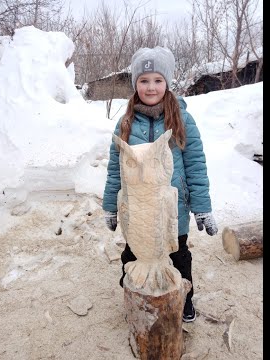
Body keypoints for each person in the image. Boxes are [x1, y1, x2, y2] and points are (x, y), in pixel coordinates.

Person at [102, 46, 218, 323]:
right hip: (137, 211)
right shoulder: (126, 122)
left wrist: (202, 208)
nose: (151, 87)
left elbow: (196, 166)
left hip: (172, 209)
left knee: (178, 256)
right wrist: (110, 207)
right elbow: (115, 169)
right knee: (132, 253)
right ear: (135, 84)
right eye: (144, 80)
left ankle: (183, 300)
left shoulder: (183, 119)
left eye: (157, 80)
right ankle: (136, 295)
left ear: (167, 82)